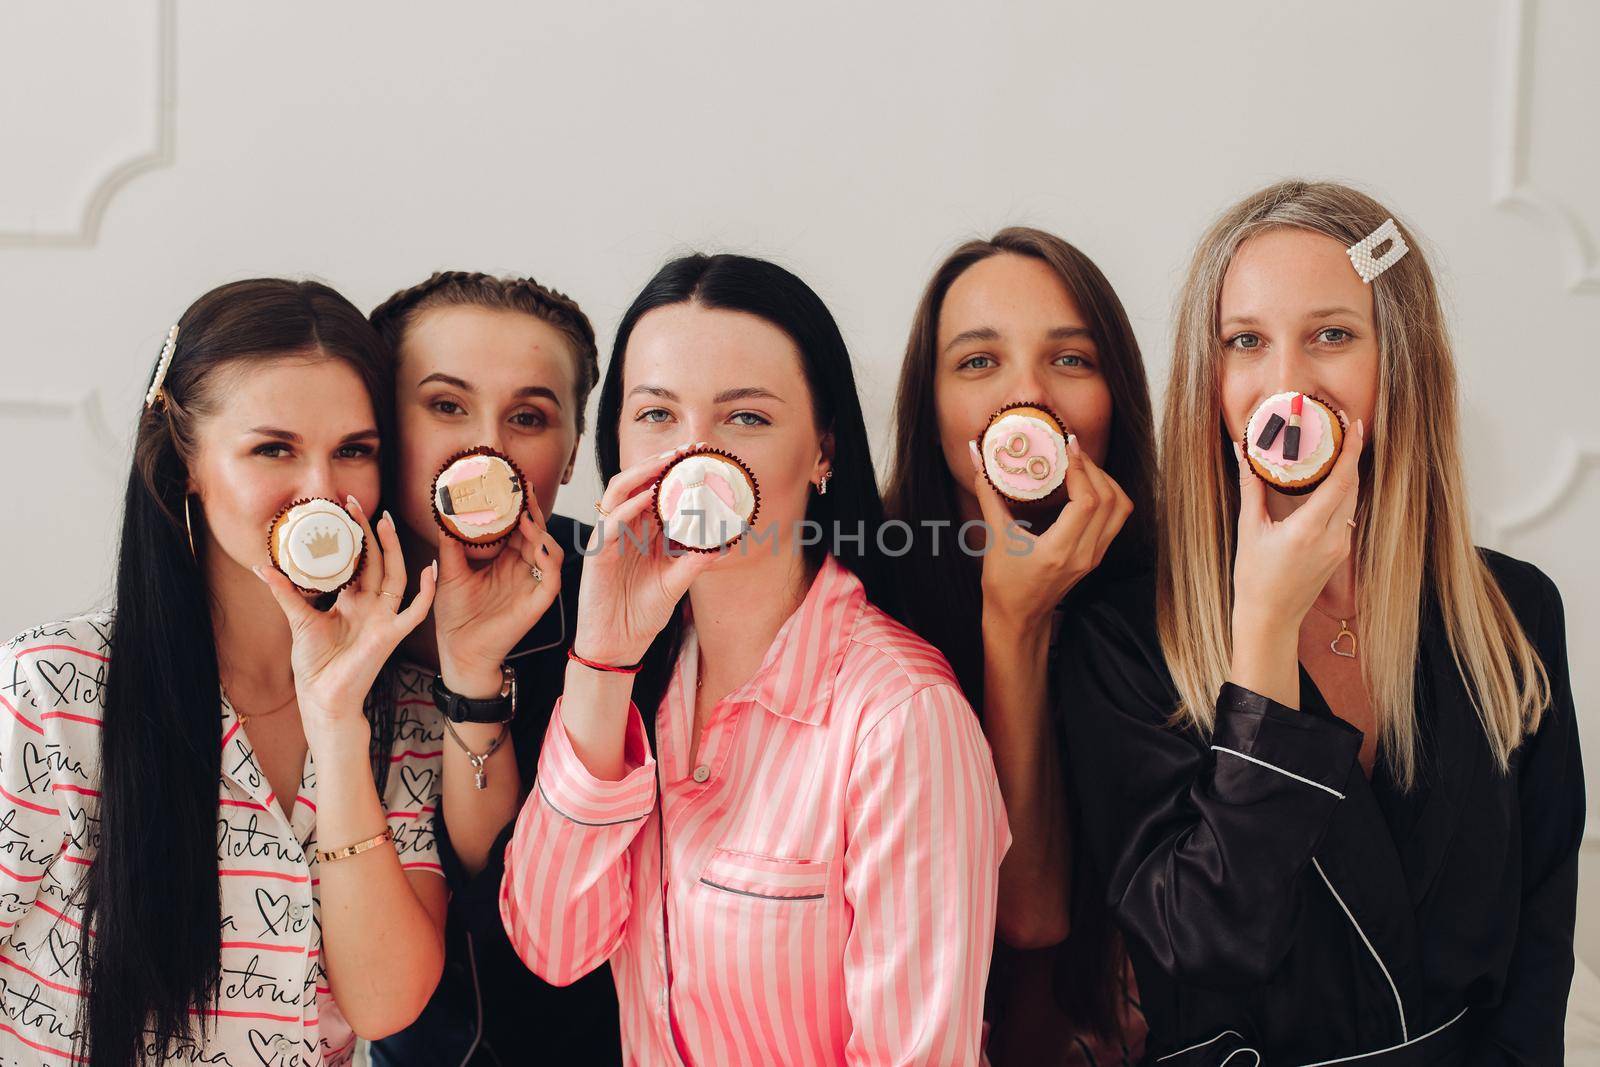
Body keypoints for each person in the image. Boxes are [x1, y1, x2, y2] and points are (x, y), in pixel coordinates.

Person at [1059, 180, 1584, 1063]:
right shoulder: (1122, 638)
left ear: (1399, 360)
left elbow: (1540, 955)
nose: (1286, 383)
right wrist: (1262, 626)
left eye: (1332, 336)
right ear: (1212, 378)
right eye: (1246, 343)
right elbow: (1209, 943)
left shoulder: (1513, 617)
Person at [499, 253, 1010, 1064]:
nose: (695, 458)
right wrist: (601, 662)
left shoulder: (900, 717)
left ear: (823, 452)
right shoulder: (644, 681)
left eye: (746, 418)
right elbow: (553, 942)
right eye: (658, 416)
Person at [0, 280, 448, 1065]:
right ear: (187, 464)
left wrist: (338, 726)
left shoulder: (405, 719)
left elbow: (384, 1002)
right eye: (274, 448)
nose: (321, 491)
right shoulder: (51, 694)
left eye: (355, 450)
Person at [884, 227, 1153, 1065]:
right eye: (977, 363)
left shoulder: (1183, 600)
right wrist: (1015, 623)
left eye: (1070, 360)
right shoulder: (862, 594)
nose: (1025, 398)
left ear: (1117, 396)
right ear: (930, 409)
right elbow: (1023, 913)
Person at [366, 272, 621, 1065]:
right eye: (446, 405)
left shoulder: (625, 600)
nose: (488, 450)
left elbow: (518, 905)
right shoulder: (323, 609)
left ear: (573, 451)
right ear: (381, 424)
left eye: (529, 417)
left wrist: (476, 672)